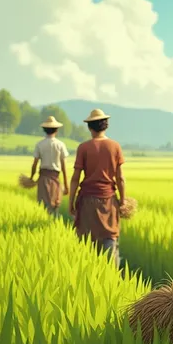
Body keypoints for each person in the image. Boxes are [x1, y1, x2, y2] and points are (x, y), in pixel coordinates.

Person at [68, 109, 125, 268]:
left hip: (87, 201)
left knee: (86, 242)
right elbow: (120, 178)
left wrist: (71, 202)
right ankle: (112, 279)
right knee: (109, 239)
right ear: (105, 126)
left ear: (90, 127)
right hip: (108, 200)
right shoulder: (115, 146)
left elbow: (75, 178)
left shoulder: (83, 147)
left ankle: (89, 275)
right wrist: (122, 200)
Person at [30, 115, 69, 217]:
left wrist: (31, 178)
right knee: (55, 205)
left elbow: (34, 164)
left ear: (45, 130)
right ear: (56, 130)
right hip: (55, 179)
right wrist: (66, 184)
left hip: (43, 178)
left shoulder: (40, 144)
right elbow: (64, 167)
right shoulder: (60, 145)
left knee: (43, 206)